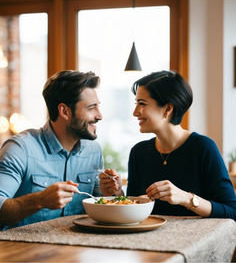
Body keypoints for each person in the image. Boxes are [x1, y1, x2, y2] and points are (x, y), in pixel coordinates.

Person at [100, 71, 236, 220]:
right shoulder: (139, 152)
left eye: (142, 104)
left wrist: (186, 198)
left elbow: (231, 211)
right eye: (136, 103)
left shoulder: (203, 148)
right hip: (146, 241)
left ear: (167, 109)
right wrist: (117, 193)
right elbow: (136, 208)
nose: (135, 112)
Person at [0, 70, 110, 229]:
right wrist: (40, 200)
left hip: (76, 248)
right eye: (91, 108)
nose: (99, 116)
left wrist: (114, 193)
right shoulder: (20, 149)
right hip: (22, 248)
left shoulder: (93, 151)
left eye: (98, 107)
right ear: (64, 111)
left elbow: (101, 208)